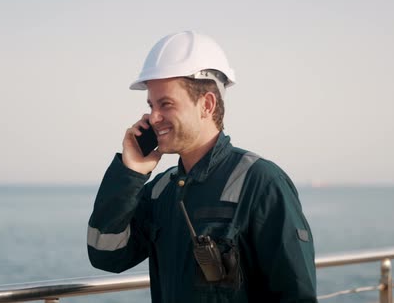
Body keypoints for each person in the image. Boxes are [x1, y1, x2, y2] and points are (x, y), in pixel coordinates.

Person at [87, 30, 318, 302]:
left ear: (206, 104)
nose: (153, 117)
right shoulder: (162, 190)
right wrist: (130, 172)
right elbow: (106, 255)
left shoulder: (261, 182)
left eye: (166, 104)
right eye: (151, 105)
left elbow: (295, 295)